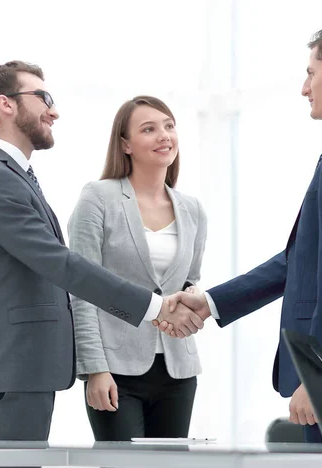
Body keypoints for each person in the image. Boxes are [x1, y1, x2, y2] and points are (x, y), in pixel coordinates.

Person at [0, 61, 202, 442]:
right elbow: (61, 264)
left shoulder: (10, 176)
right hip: (8, 370)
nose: (53, 111)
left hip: (22, 371)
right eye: (43, 98)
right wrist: (153, 307)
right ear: (5, 105)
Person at [160, 23, 322, 442]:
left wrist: (320, 378)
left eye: (311, 73)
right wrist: (210, 302)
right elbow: (302, 258)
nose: (304, 88)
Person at [68, 96, 206, 441]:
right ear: (125, 144)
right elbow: (81, 290)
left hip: (178, 369)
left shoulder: (192, 209)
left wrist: (193, 297)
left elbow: (190, 279)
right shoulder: (98, 198)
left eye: (169, 126)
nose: (164, 136)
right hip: (115, 369)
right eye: (149, 129)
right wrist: (95, 369)